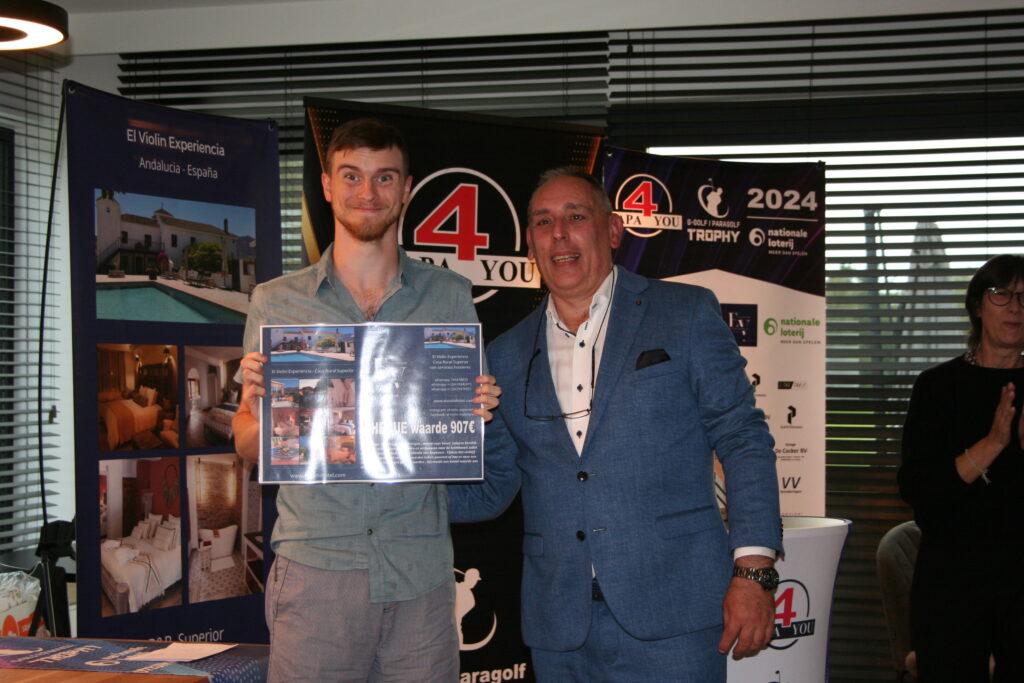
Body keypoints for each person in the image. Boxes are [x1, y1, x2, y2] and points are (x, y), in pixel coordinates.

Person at [449, 168, 782, 681]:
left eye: (576, 217)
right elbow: (494, 490)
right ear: (530, 244)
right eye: (543, 222)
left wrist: (754, 572)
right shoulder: (506, 354)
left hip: (676, 613)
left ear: (612, 230)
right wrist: (386, 477)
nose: (560, 234)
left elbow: (743, 439)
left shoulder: (684, 312)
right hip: (560, 625)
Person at [232, 117, 500, 682]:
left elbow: (461, 429)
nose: (368, 192)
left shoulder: (449, 297)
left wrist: (479, 409)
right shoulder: (275, 303)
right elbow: (247, 443)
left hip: (420, 574)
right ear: (327, 185)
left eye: (385, 177)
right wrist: (263, 415)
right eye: (351, 175)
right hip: (316, 571)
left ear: (406, 189)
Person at [898, 254, 1024, 683]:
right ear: (976, 306)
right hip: (952, 574)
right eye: (1001, 294)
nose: (1015, 307)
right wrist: (993, 444)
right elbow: (918, 489)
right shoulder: (938, 386)